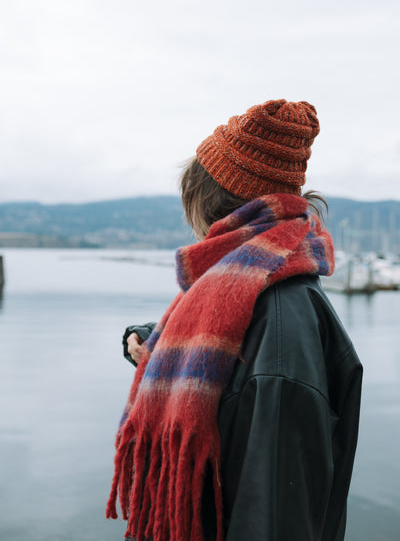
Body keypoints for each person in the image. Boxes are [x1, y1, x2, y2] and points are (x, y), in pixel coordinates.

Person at [107, 99, 363, 541]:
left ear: (209, 201)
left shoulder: (282, 322)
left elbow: (275, 514)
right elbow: (232, 369)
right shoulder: (254, 286)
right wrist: (154, 343)